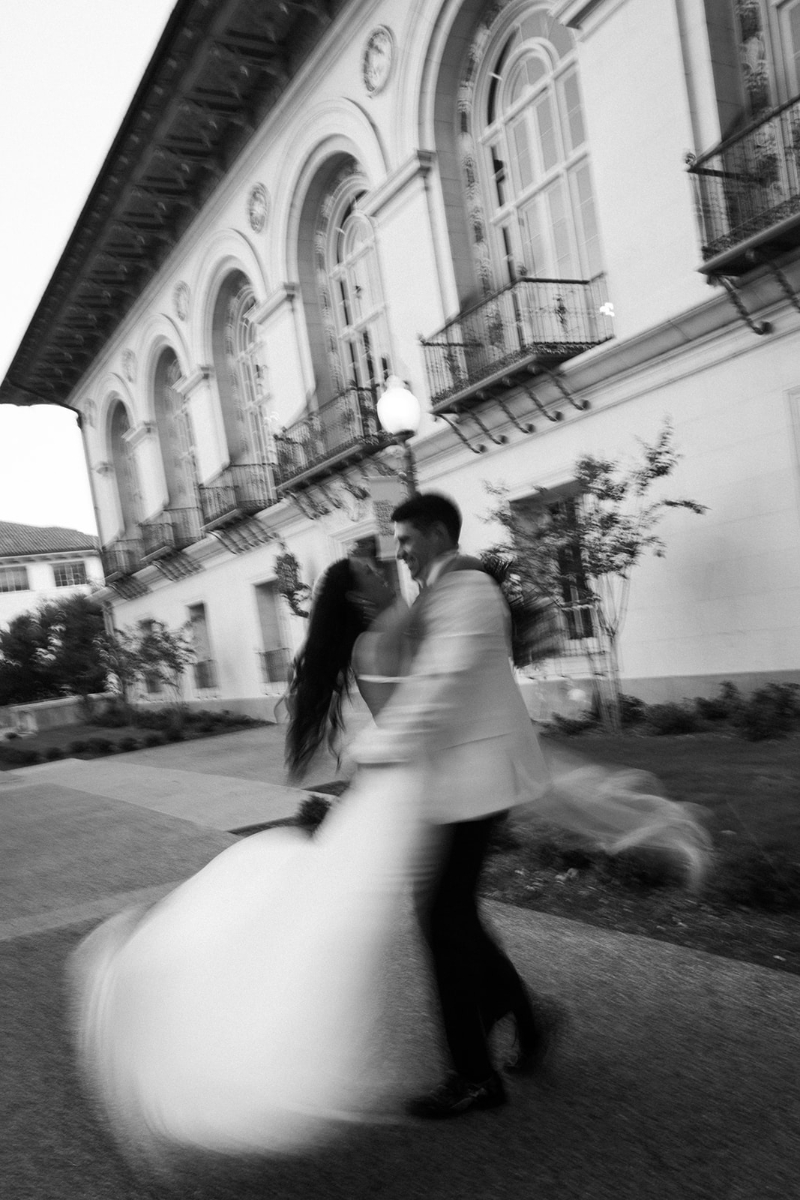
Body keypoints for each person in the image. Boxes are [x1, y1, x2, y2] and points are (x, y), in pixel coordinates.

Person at [350, 493, 559, 1119]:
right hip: (459, 781)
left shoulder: (466, 591)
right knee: (449, 913)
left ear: (438, 534)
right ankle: (519, 1011)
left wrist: (377, 748)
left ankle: (475, 1075)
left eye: (408, 541)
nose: (402, 555)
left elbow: (439, 686)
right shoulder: (441, 594)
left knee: (441, 917)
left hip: (479, 781)